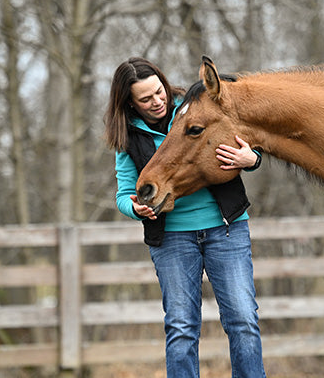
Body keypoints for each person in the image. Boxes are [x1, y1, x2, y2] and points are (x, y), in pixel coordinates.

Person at [104, 57, 266, 378]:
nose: (157, 101)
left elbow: (250, 143)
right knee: (181, 326)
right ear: (130, 103)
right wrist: (134, 208)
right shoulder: (128, 138)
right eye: (145, 98)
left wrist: (252, 158)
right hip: (172, 239)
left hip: (226, 229)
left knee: (243, 319)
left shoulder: (197, 108)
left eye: (159, 91)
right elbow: (124, 193)